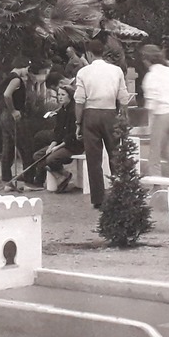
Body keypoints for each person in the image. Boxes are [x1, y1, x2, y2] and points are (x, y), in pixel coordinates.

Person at [73, 38, 131, 209]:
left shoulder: (83, 72)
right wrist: (123, 118)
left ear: (89, 54)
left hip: (91, 114)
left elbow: (79, 100)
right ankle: (119, 193)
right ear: (103, 52)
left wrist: (78, 122)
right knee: (115, 155)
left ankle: (98, 198)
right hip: (110, 113)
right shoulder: (116, 71)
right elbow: (124, 97)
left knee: (93, 159)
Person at [0, 58, 49, 190]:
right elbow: (7, 95)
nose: (27, 72)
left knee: (7, 148)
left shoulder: (6, 78)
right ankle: (29, 182)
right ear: (21, 67)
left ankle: (7, 181)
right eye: (26, 69)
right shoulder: (16, 79)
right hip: (13, 115)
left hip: (4, 115)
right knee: (26, 147)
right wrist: (13, 111)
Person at [139, 43, 169, 177]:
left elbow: (151, 103)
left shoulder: (151, 76)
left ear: (147, 60)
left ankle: (156, 185)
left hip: (161, 115)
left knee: (154, 154)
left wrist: (145, 124)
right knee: (163, 150)